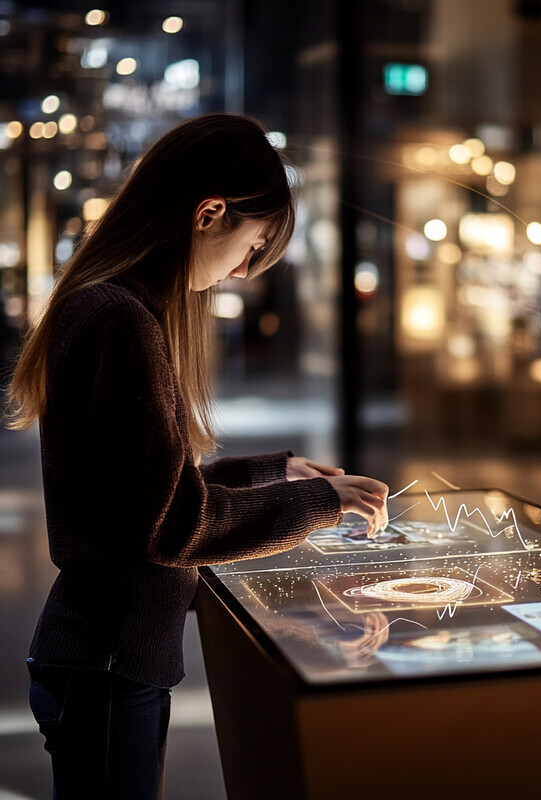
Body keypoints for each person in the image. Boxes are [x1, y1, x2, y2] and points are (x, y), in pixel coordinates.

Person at [5, 113, 389, 799]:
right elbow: (172, 526)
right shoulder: (123, 321)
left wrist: (279, 473)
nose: (242, 272)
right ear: (209, 212)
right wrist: (319, 503)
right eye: (251, 247)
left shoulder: (109, 309)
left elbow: (147, 491)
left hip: (103, 656)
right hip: (109, 662)